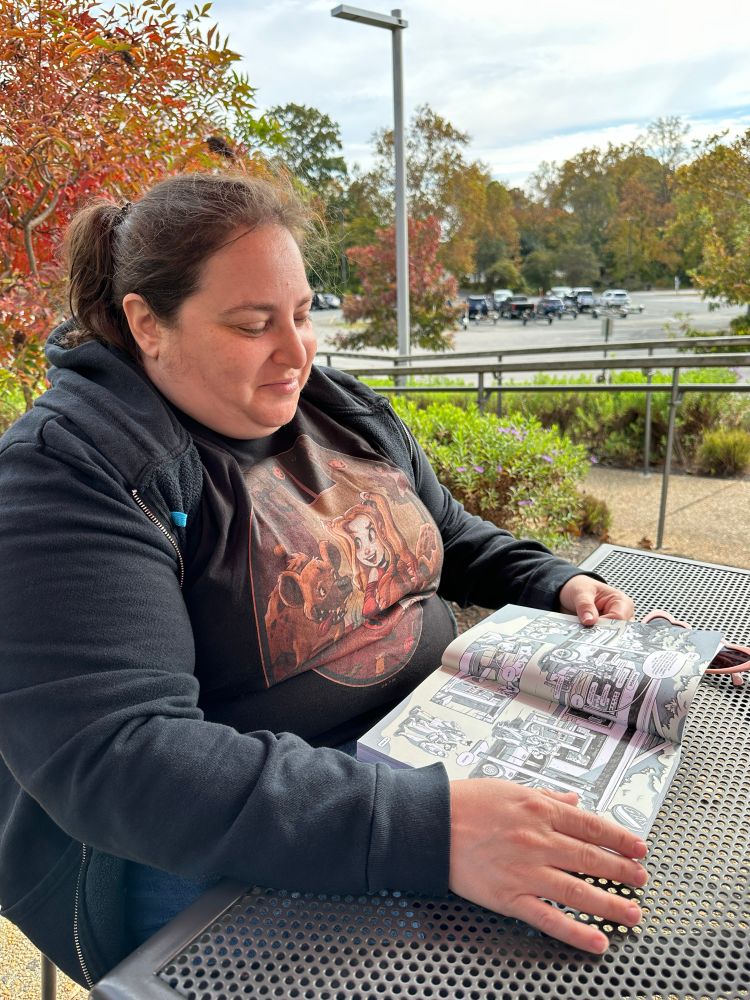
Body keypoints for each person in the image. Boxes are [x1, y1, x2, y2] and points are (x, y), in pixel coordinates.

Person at [0, 173, 646, 989]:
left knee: (614, 872)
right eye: (252, 325)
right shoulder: (73, 469)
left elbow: (447, 532)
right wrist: (430, 828)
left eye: (303, 314)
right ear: (147, 323)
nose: (297, 352)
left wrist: (551, 580)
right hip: (209, 844)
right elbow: (120, 758)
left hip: (432, 751)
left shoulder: (336, 407)